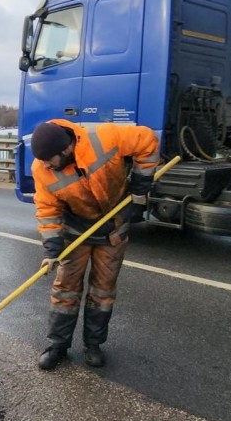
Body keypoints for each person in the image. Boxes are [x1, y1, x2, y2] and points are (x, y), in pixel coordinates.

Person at [30, 118, 160, 370]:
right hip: (75, 231)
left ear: (66, 150)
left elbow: (147, 139)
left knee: (102, 291)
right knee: (65, 290)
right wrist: (52, 250)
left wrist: (141, 183)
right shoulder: (41, 169)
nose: (45, 165)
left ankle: (93, 345)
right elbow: (47, 210)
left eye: (49, 159)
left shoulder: (105, 137)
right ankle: (58, 345)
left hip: (113, 226)